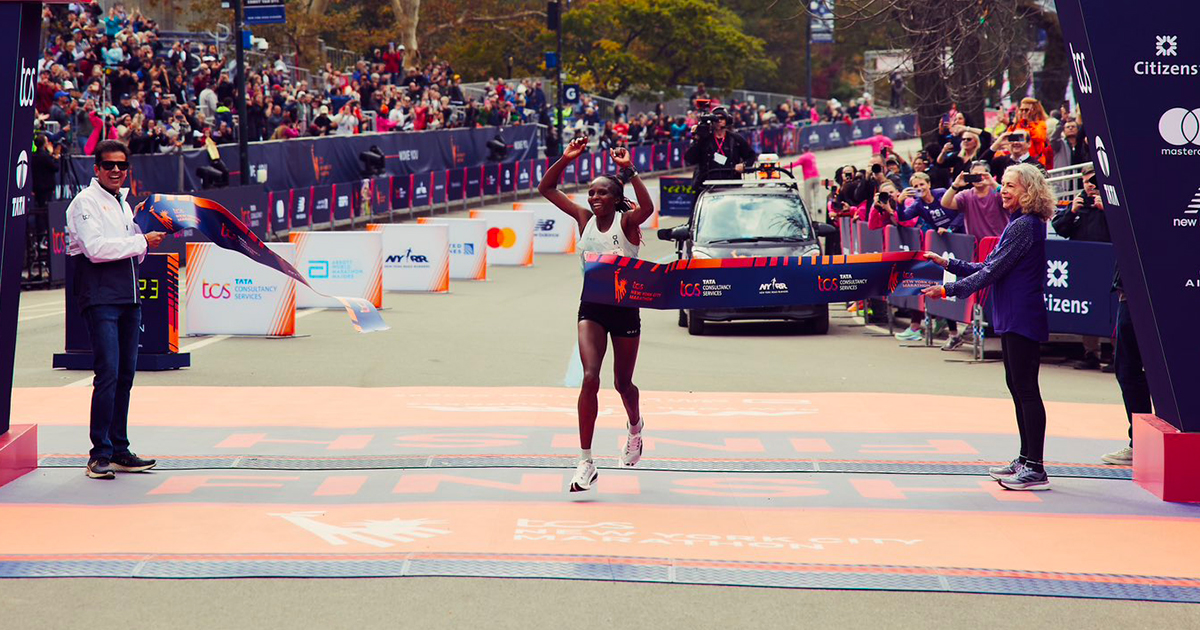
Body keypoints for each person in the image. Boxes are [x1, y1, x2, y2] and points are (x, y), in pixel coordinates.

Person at [922, 164, 1053, 490]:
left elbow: (989, 273)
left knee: (1026, 390)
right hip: (1012, 314)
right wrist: (949, 264)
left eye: (1011, 186)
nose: (1003, 191)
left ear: (1029, 192)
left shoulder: (1025, 225)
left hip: (1022, 316)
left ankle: (1035, 467)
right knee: (1017, 388)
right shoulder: (1018, 224)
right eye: (1003, 185)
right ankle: (1025, 459)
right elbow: (990, 266)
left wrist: (948, 289)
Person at [537, 137, 656, 493]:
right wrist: (567, 157)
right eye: (591, 193)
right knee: (590, 378)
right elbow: (546, 187)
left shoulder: (628, 222)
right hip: (591, 308)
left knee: (622, 383)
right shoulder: (583, 218)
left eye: (602, 193)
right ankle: (586, 461)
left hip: (625, 309)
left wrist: (629, 171)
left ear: (616, 199)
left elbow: (647, 206)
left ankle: (635, 428)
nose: (594, 198)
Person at [64, 140, 166, 480]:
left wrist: (143, 239)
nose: (116, 170)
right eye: (109, 165)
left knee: (125, 376)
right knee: (107, 373)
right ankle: (100, 454)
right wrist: (141, 241)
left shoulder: (122, 203)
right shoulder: (85, 202)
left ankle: (119, 448)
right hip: (100, 297)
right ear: (96, 168)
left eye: (121, 165)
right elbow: (95, 250)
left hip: (127, 297)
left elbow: (132, 255)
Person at [1051, 165, 1111, 370]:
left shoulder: (1112, 200)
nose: (1090, 186)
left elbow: (1128, 229)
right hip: (1083, 266)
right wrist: (1072, 211)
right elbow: (1059, 228)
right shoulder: (1078, 202)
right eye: (1086, 182)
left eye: (1094, 181)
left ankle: (1115, 353)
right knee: (1088, 308)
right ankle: (1090, 353)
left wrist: (1108, 210)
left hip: (1109, 265)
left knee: (1111, 309)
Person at [684, 106, 756, 196]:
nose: (719, 121)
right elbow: (689, 159)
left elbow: (751, 156)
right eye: (716, 118)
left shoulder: (735, 139)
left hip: (731, 184)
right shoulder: (704, 139)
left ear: (727, 120)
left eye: (721, 118)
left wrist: (744, 165)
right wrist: (697, 139)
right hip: (708, 185)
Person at [784, 145, 821, 220]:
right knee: (817, 193)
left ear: (803, 150)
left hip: (808, 177)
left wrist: (785, 167)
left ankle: (809, 209)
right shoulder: (812, 155)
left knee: (808, 195)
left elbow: (795, 164)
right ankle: (819, 207)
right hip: (816, 176)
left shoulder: (803, 157)